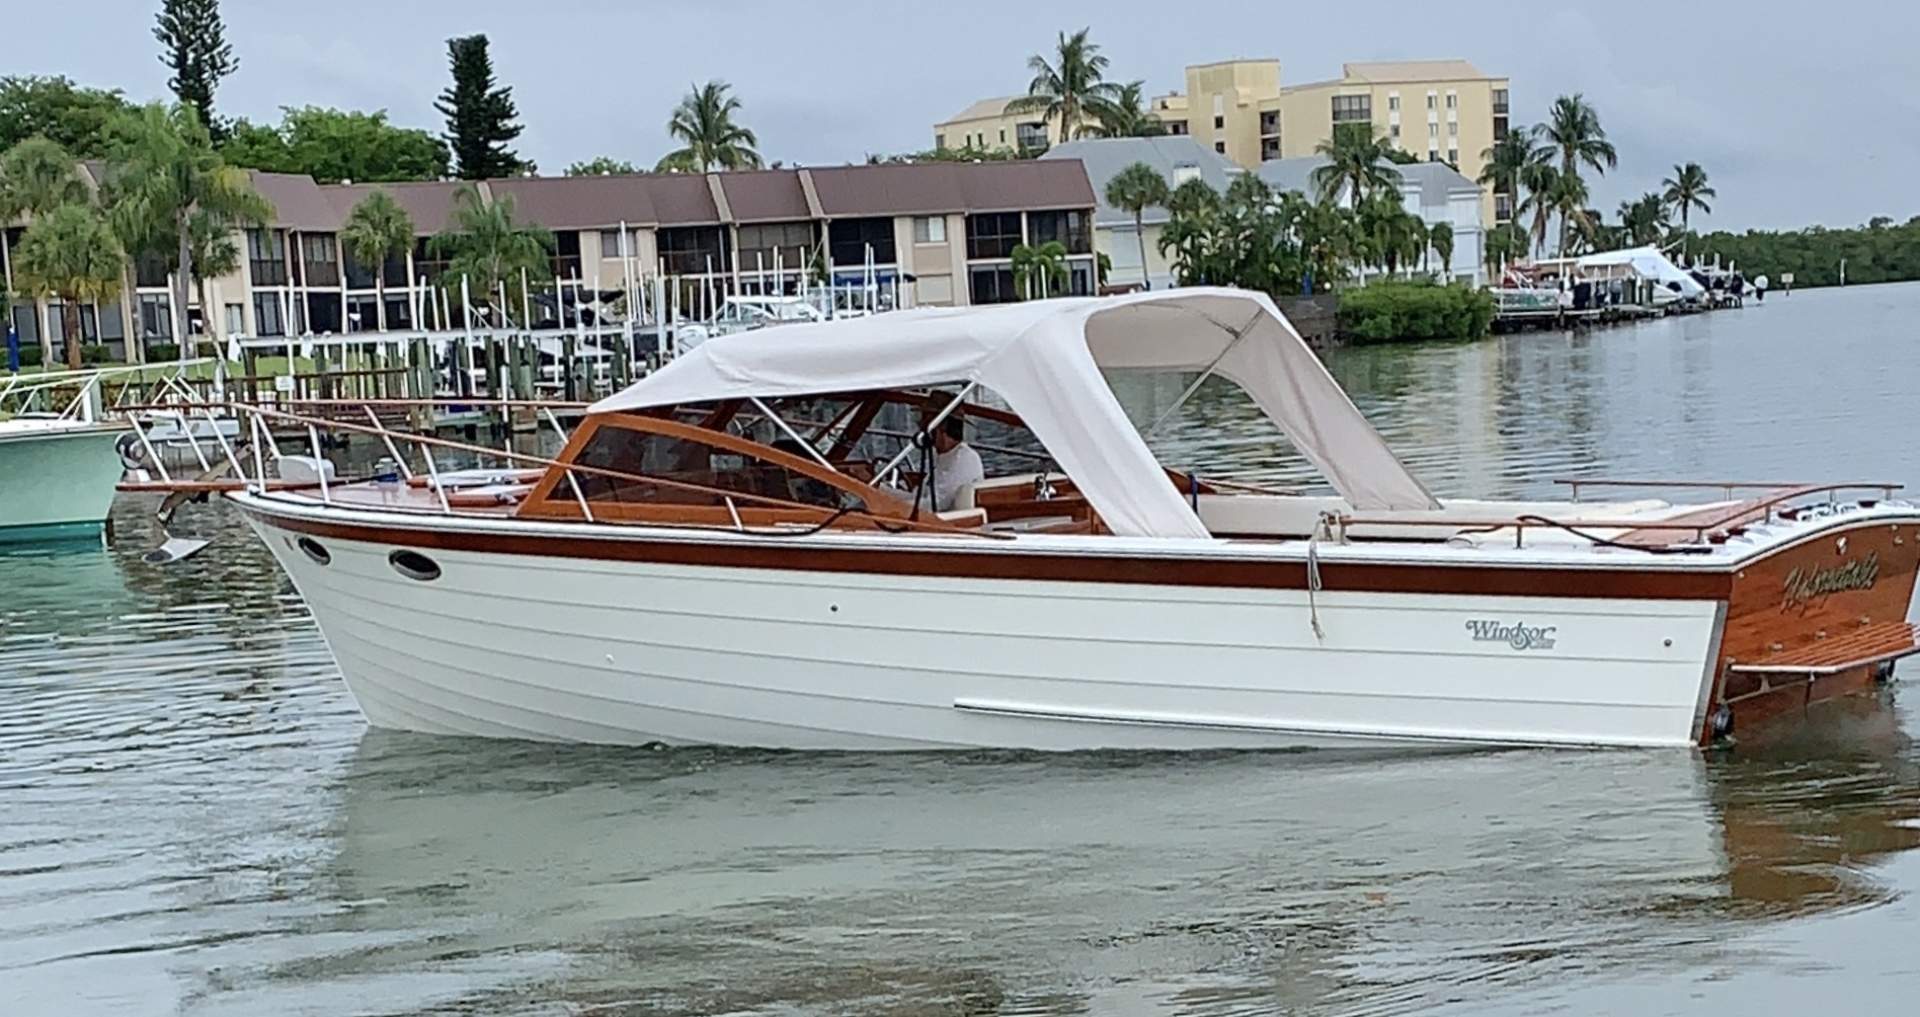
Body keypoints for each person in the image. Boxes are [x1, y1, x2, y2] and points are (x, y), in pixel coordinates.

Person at [926, 415, 984, 513]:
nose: (919, 424)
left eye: (925, 419)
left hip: (943, 520)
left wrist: (903, 506)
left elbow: (938, 502)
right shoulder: (939, 456)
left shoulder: (964, 458)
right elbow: (922, 493)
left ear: (942, 427)